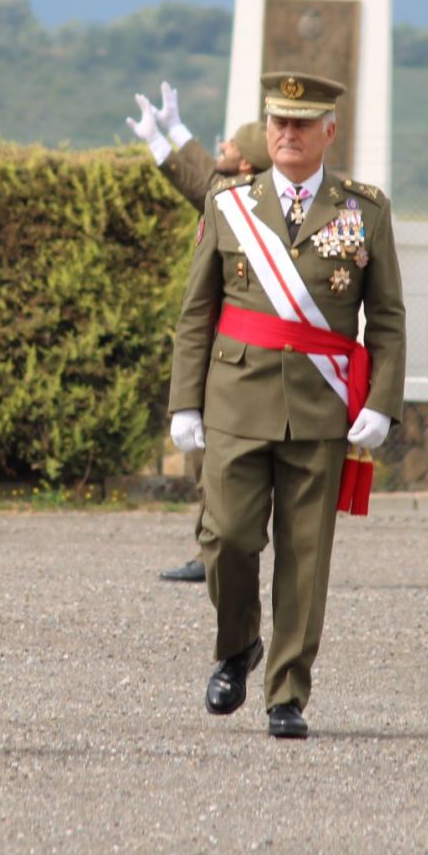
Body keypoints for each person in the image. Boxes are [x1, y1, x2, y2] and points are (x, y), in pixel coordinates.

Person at [168, 71, 406, 739]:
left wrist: (382, 404)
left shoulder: (365, 211)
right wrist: (184, 402)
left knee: (306, 556)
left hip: (320, 405)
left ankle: (287, 694)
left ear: (329, 130)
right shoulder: (228, 205)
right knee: (227, 539)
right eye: (278, 122)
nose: (288, 134)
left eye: (302, 124)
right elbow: (197, 315)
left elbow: (386, 320)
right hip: (235, 398)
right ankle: (237, 644)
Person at [127, 83, 271, 584]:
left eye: (230, 148)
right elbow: (206, 177)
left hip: (231, 354)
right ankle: (213, 548)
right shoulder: (236, 193)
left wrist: (164, 140)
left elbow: (199, 184)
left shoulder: (238, 201)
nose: (222, 151)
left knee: (216, 461)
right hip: (228, 351)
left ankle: (216, 552)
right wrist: (169, 130)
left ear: (248, 165)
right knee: (210, 460)